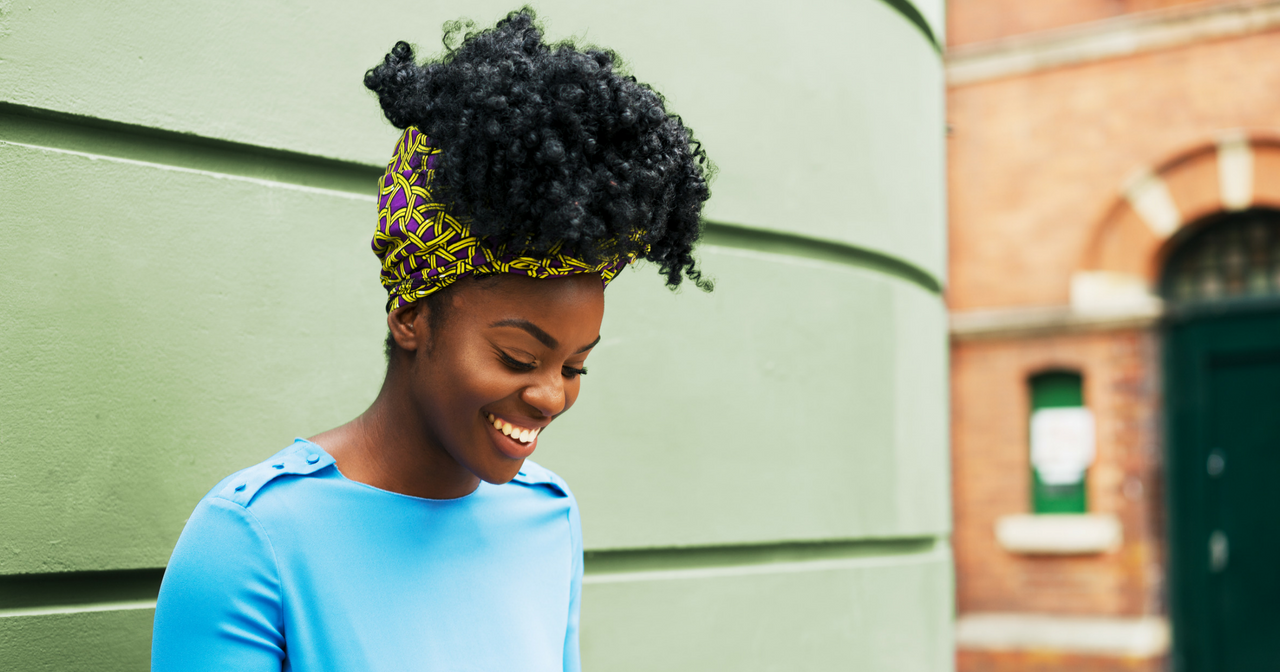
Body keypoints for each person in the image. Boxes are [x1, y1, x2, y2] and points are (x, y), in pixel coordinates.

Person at [150, 8, 711, 672]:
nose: (551, 395)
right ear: (412, 316)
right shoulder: (255, 540)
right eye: (519, 358)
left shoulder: (547, 519)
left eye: (576, 366)